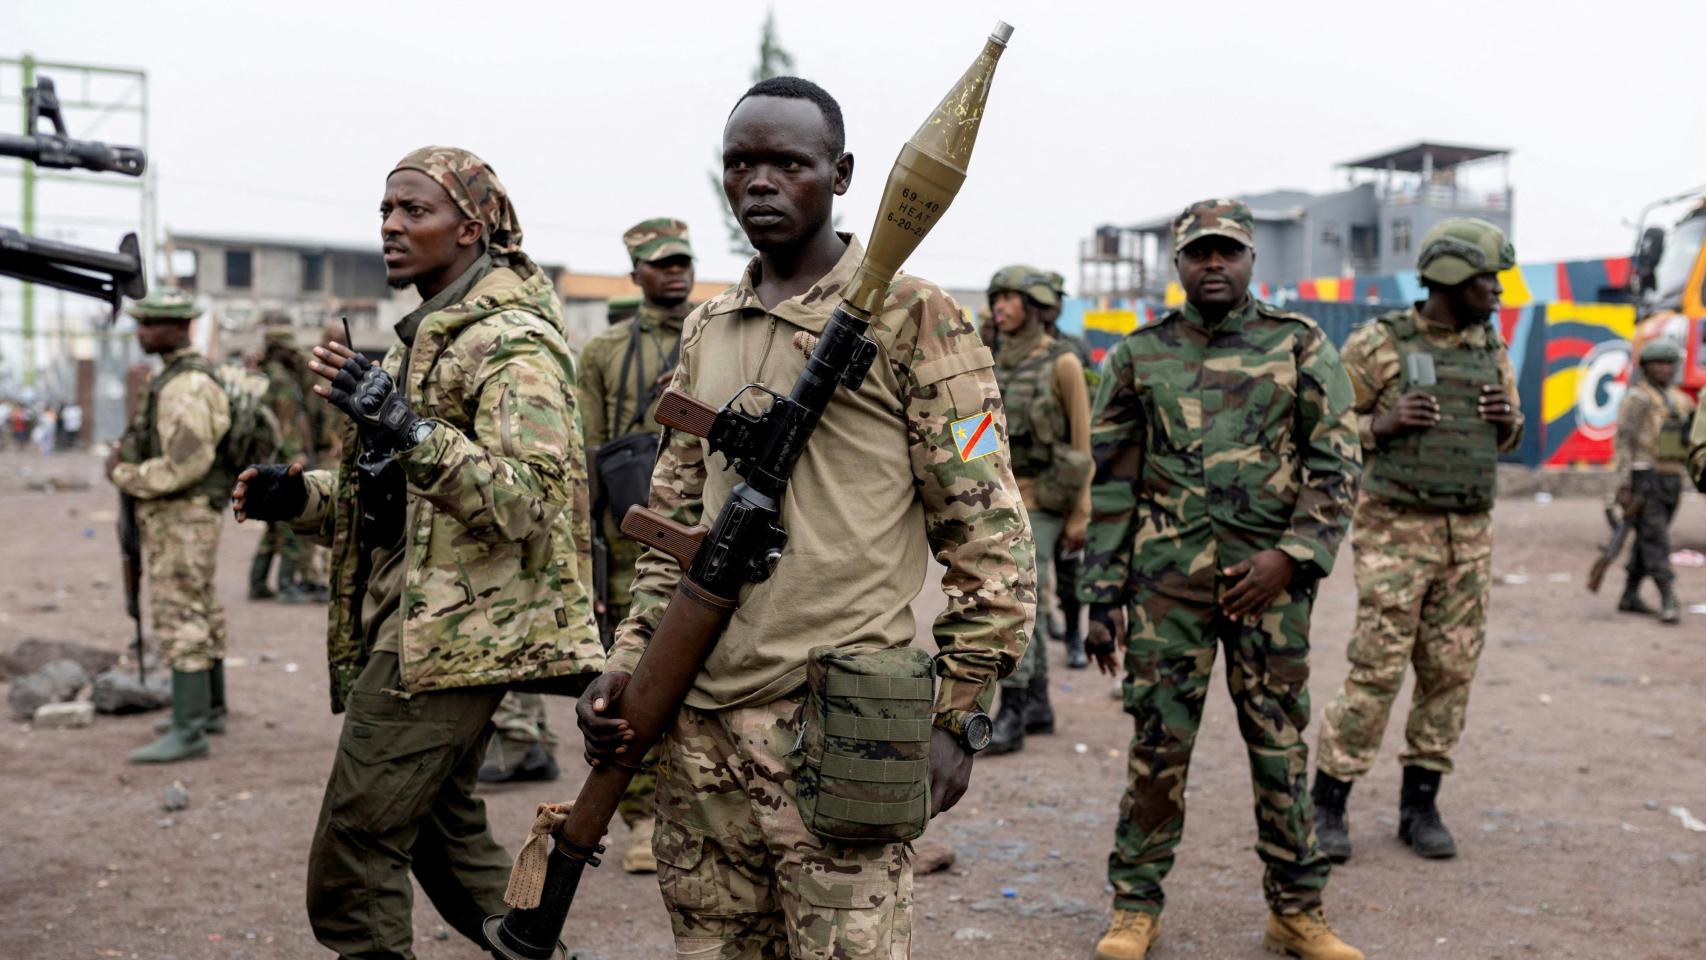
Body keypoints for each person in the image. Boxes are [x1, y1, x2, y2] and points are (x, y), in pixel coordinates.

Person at [578, 76, 1034, 957]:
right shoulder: (709, 326)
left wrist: (959, 716)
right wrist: (628, 665)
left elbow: (990, 534)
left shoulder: (917, 315)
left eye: (788, 162)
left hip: (836, 727)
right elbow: (673, 524)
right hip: (697, 734)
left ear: (843, 174)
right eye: (740, 163)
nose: (759, 182)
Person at [229, 145, 603, 959]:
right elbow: (401, 508)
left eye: (414, 212)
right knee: (441, 836)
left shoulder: (513, 343)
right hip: (425, 624)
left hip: (453, 638)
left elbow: (530, 504)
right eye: (385, 213)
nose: (392, 228)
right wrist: (299, 497)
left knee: (355, 849)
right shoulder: (423, 339)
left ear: (472, 229)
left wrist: (407, 427)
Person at [1081, 199, 1363, 960]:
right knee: (1158, 748)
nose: (1214, 264)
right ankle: (1134, 908)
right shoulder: (1139, 356)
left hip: (1269, 593)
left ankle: (1297, 911)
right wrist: (1100, 597)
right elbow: (1111, 484)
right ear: (1177, 263)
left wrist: (1291, 557)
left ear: (1250, 262)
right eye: (1200, 253)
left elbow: (1337, 464)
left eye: (1228, 252)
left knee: (1279, 748)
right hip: (1166, 592)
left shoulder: (1299, 345)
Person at [483, 217, 701, 874]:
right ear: (636, 275)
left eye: (682, 261)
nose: (675, 272)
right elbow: (585, 453)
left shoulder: (715, 334)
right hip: (630, 537)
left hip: (704, 528)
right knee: (629, 682)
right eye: (661, 264)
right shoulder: (606, 352)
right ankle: (638, 817)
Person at [1310, 218, 1523, 865]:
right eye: (1490, 280)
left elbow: (1507, 434)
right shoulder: (1381, 344)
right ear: (1455, 277)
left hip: (1470, 537)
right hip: (1397, 533)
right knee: (1377, 667)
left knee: (1450, 671)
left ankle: (1420, 806)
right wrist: (1383, 422)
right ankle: (1328, 802)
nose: (1498, 293)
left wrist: (1506, 422)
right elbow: (1323, 423)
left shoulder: (1490, 345)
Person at [108, 290, 233, 764]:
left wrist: (125, 474)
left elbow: (185, 463)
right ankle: (207, 710)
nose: (141, 332)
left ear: (179, 327)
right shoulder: (179, 378)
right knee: (200, 606)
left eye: (150, 324)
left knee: (181, 612)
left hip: (183, 511)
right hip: (185, 512)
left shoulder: (186, 386)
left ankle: (189, 730)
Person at [983, 264, 1093, 756]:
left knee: (1018, 598)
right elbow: (980, 431)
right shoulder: (991, 360)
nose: (1000, 307)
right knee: (1028, 598)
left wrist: (1079, 517)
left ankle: (1013, 709)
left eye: (1010, 299)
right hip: (1002, 496)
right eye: (996, 298)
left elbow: (1081, 443)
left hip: (1047, 500)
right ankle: (1040, 706)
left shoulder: (1062, 363)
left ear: (1032, 306)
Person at [1609, 339, 1694, 623]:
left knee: (1647, 539)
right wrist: (1622, 484)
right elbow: (1624, 442)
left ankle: (1629, 594)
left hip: (1672, 477)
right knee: (1656, 539)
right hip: (1645, 477)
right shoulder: (1638, 399)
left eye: (1670, 363)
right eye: (1658, 363)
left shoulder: (1682, 401)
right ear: (1646, 367)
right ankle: (1668, 596)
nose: (1665, 369)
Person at [249, 323, 317, 602]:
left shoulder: (262, 376)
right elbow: (286, 425)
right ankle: (287, 586)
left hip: (263, 462)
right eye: (290, 351)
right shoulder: (281, 383)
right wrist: (295, 459)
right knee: (290, 523)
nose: (294, 355)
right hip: (281, 462)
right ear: (279, 352)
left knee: (272, 527)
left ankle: (258, 584)